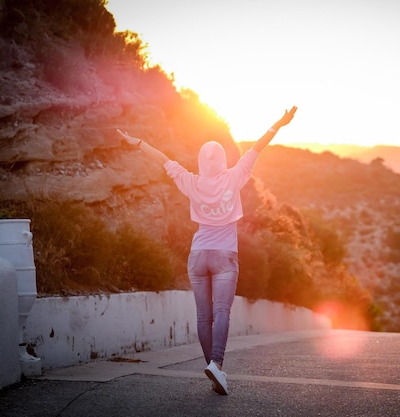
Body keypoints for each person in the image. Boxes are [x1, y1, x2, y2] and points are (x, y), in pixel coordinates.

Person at [117, 106, 297, 395]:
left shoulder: (191, 181)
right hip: (225, 256)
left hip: (198, 255)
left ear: (201, 161)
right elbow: (258, 147)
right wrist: (280, 123)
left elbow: (163, 159)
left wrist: (136, 142)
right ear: (223, 159)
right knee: (222, 310)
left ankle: (213, 369)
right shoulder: (234, 177)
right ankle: (217, 364)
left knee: (203, 317)